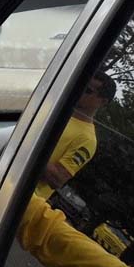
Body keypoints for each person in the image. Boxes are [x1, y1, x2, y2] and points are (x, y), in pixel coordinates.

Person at [35, 71, 115, 199]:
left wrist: (29, 150)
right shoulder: (53, 110)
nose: (80, 90)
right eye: (81, 85)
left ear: (103, 102)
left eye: (88, 90)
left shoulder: (87, 139)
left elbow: (57, 179)